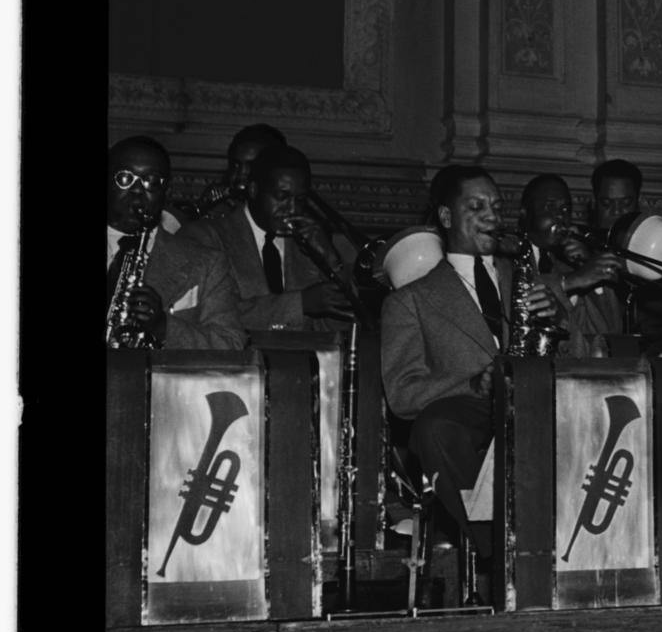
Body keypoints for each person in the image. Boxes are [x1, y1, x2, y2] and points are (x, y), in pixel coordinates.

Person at [378, 164, 552, 575]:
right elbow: (403, 395)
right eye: (476, 206)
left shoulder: (535, 282)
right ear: (445, 217)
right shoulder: (409, 302)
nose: (493, 216)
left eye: (496, 205)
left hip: (542, 403)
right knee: (434, 427)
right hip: (473, 415)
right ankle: (497, 548)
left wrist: (559, 320)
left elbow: (587, 357)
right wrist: (475, 381)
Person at [182, 143, 356, 336]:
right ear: (254, 190)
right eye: (282, 197)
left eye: (300, 200)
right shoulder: (206, 237)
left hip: (301, 363)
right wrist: (300, 304)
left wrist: (330, 258)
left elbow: (345, 325)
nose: (292, 210)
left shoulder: (307, 244)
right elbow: (208, 316)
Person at [105, 135, 245, 351]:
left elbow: (231, 344)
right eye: (124, 178)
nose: (137, 190)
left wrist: (163, 327)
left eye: (151, 181)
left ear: (166, 191)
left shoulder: (207, 264)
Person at [519, 173, 624, 358]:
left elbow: (609, 335)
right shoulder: (506, 258)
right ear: (525, 213)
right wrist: (571, 281)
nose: (560, 216)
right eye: (550, 207)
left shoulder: (567, 269)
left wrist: (587, 264)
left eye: (566, 209)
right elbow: (522, 293)